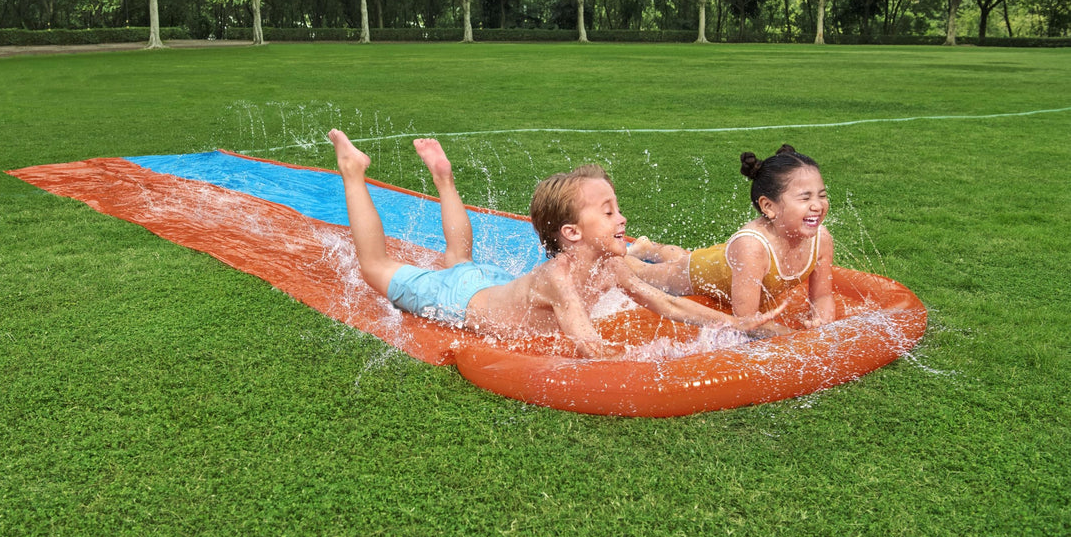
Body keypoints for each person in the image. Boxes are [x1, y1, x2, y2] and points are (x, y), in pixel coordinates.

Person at [328, 129, 783, 359]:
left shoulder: (612, 267)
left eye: (616, 207)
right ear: (572, 233)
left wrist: (743, 323)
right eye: (607, 212)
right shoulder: (557, 279)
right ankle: (353, 169)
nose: (622, 217)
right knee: (375, 267)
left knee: (460, 259)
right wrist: (648, 361)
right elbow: (587, 345)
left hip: (495, 283)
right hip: (458, 299)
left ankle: (444, 180)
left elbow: (671, 307)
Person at [628, 144, 835, 333]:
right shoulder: (752, 248)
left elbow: (822, 296)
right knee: (644, 273)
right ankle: (617, 256)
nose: (817, 205)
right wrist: (792, 335)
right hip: (700, 271)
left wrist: (821, 322)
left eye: (822, 195)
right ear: (769, 207)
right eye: (805, 198)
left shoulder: (821, 239)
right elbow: (746, 321)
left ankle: (649, 248)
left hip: (725, 263)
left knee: (679, 258)